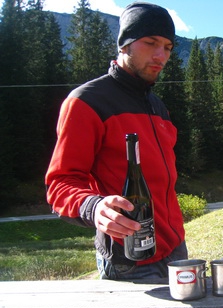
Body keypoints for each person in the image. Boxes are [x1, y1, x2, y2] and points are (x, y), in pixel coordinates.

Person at [45, 2, 187, 281]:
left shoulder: (158, 106)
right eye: (150, 43)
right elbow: (60, 184)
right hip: (129, 260)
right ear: (124, 45)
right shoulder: (87, 102)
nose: (161, 55)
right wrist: (94, 206)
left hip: (175, 249)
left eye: (168, 47)